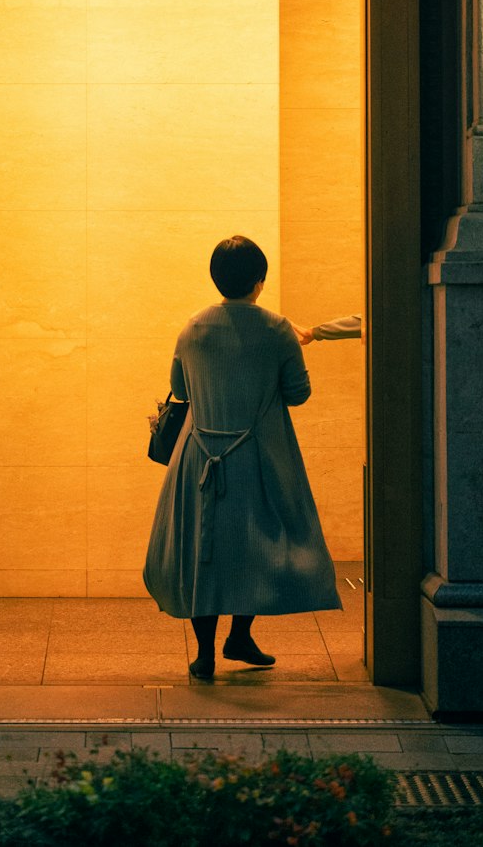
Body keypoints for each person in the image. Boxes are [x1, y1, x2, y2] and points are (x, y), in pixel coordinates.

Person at [143, 235, 340, 682]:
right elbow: (298, 394)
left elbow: (181, 388)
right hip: (257, 458)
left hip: (199, 459)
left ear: (215, 278)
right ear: (260, 280)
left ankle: (206, 654)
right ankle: (241, 635)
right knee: (255, 549)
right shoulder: (277, 329)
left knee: (203, 550)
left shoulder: (192, 327)